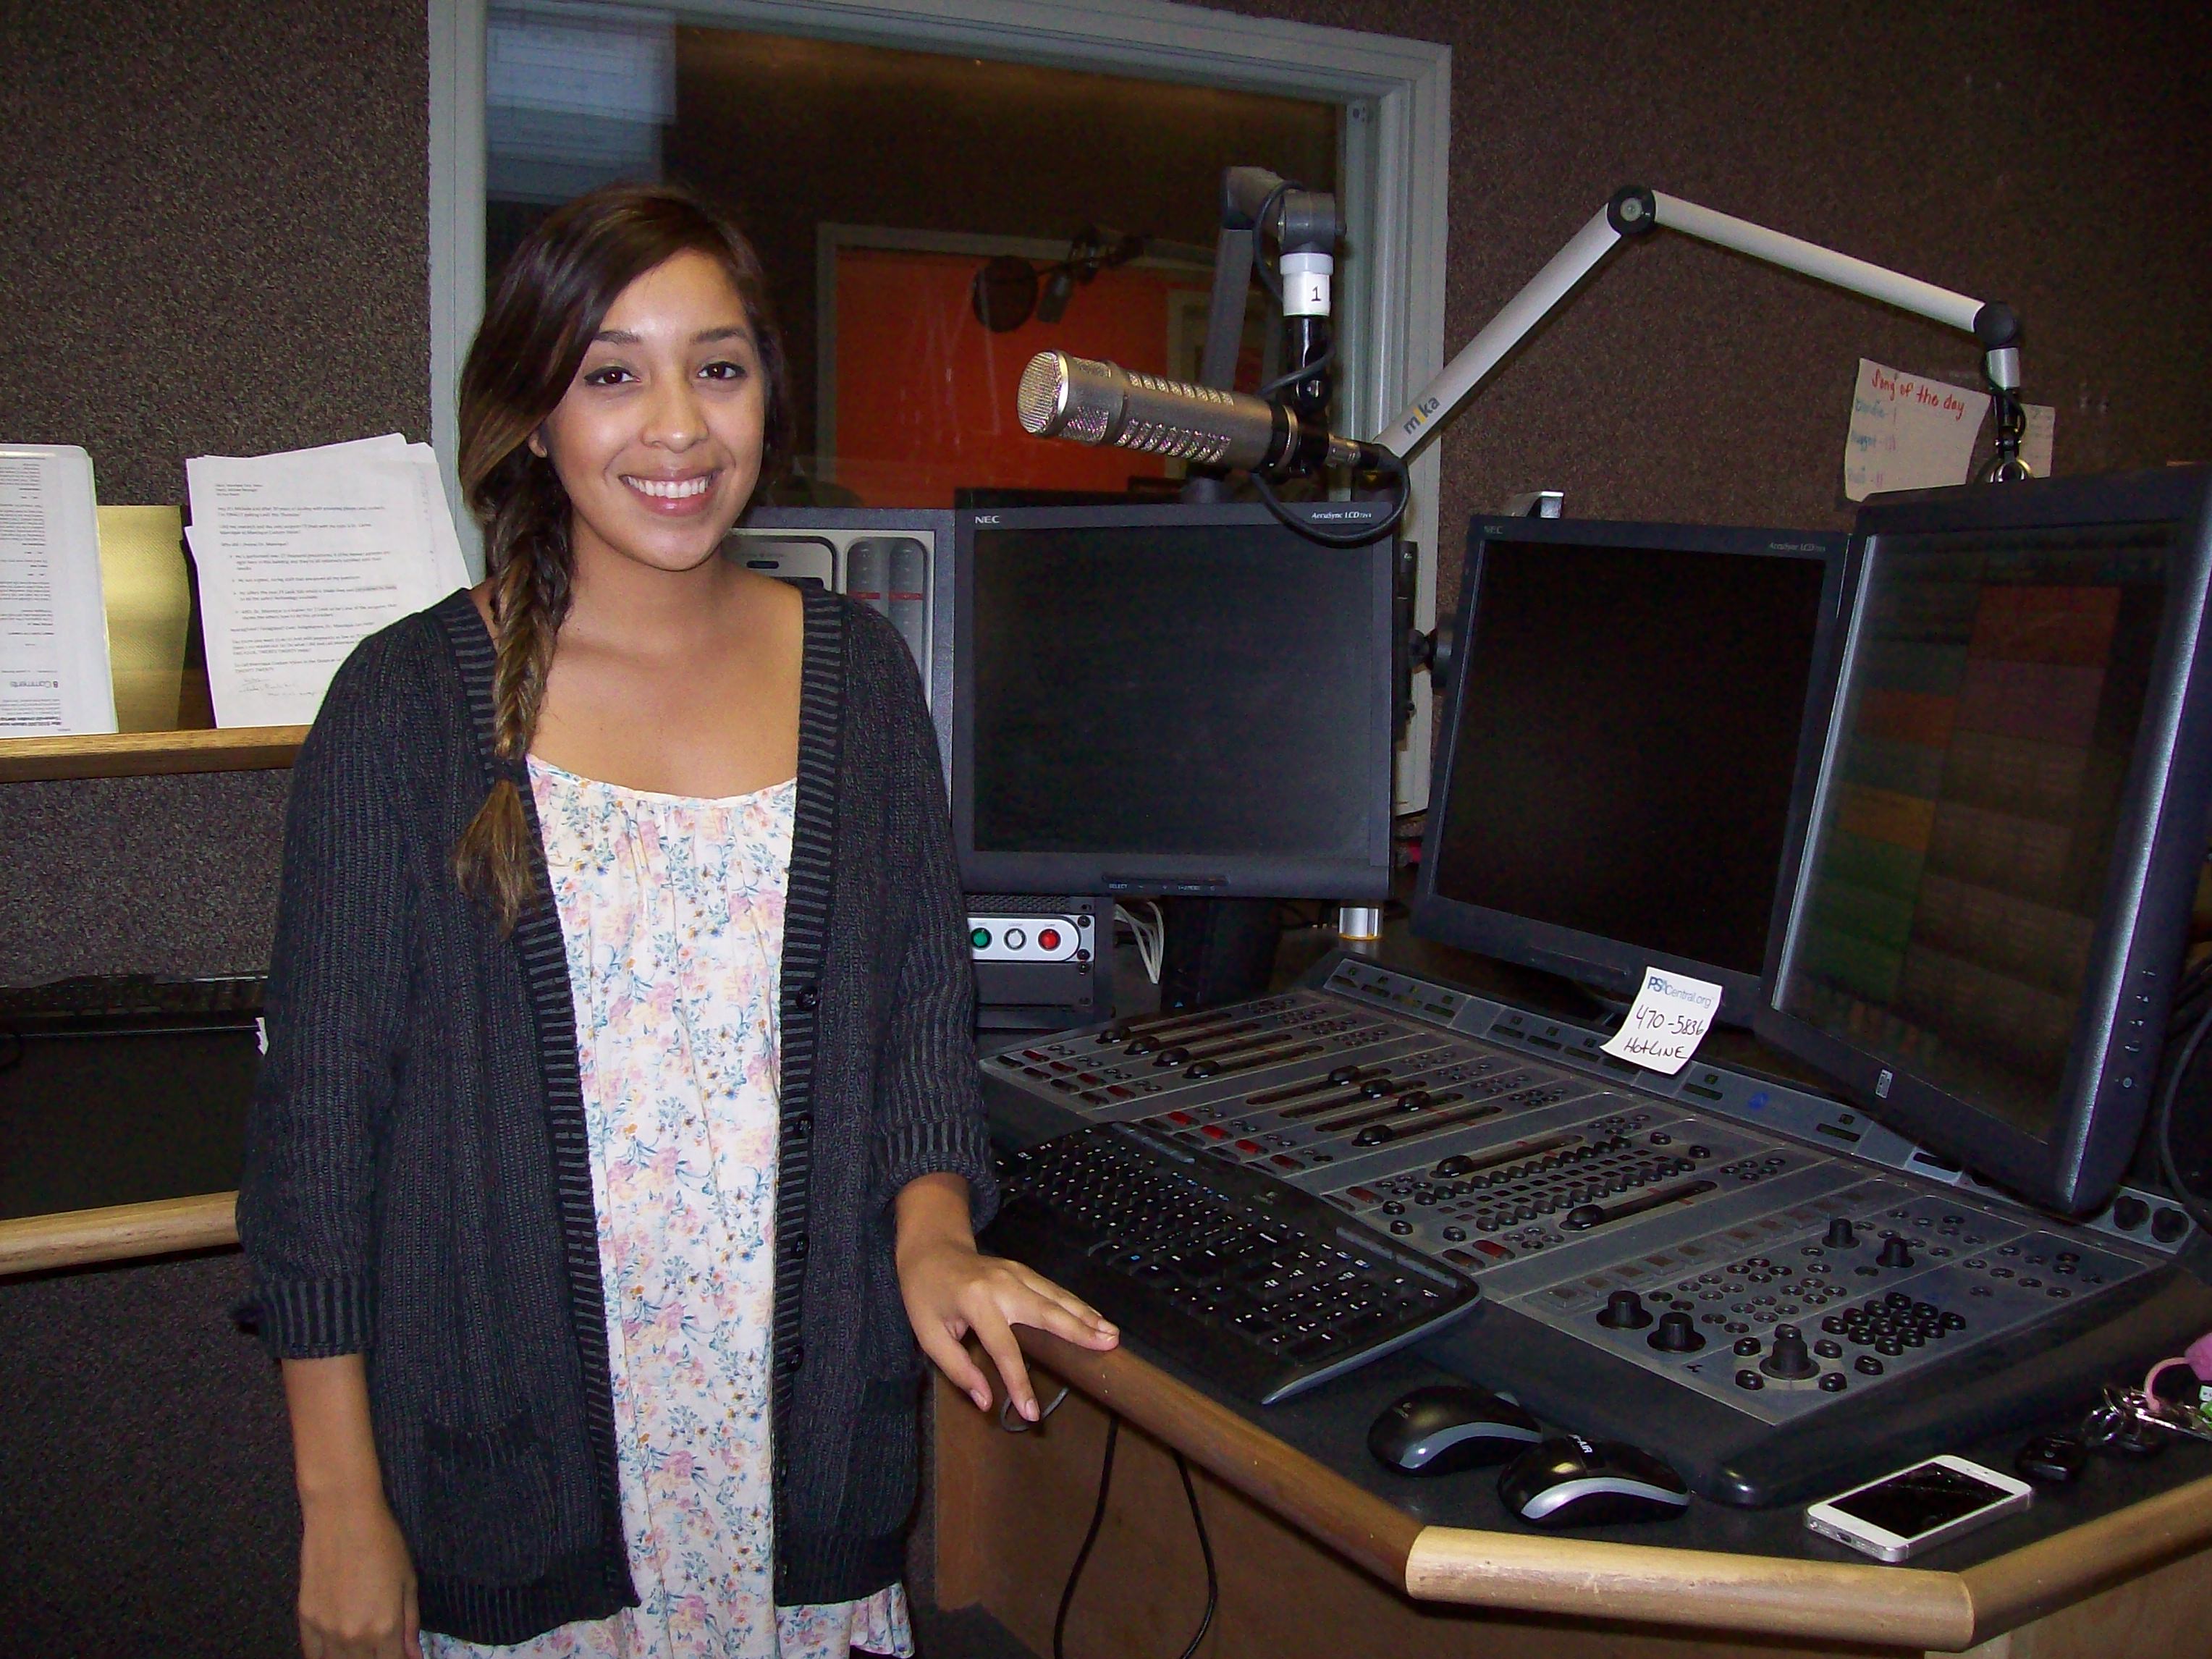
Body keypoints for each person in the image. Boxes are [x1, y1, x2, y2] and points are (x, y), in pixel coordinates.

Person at [238, 182, 1118, 1659]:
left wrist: (932, 1239)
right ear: (532, 417)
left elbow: (918, 1033)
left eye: (717, 367)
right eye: (609, 375)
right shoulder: (401, 707)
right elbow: (318, 1143)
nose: (677, 428)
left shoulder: (862, 679)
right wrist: (339, 1505)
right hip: (513, 1477)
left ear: (767, 391)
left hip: (798, 1469)